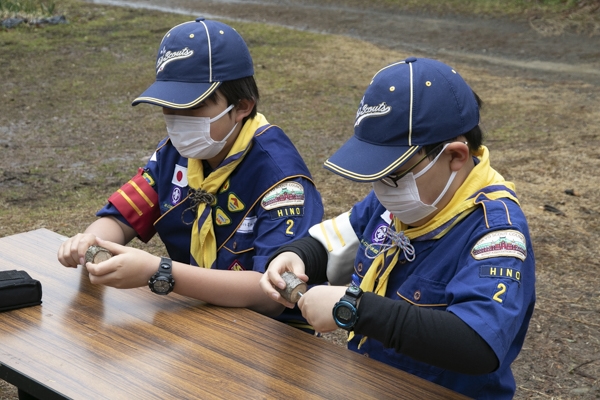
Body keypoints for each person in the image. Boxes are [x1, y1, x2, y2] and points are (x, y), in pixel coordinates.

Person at [260, 57, 535, 398]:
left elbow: (476, 343)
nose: (381, 187)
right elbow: (334, 242)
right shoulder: (400, 199)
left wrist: (356, 310)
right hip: (371, 385)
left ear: (456, 156)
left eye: (393, 173)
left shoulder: (496, 232)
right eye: (376, 174)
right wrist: (295, 255)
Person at [57, 18, 324, 327]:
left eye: (192, 107)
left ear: (242, 106)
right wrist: (90, 241)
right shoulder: (177, 154)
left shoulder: (281, 181)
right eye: (168, 108)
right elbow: (122, 218)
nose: (177, 122)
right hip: (196, 314)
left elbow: (271, 295)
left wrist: (160, 272)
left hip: (272, 335)